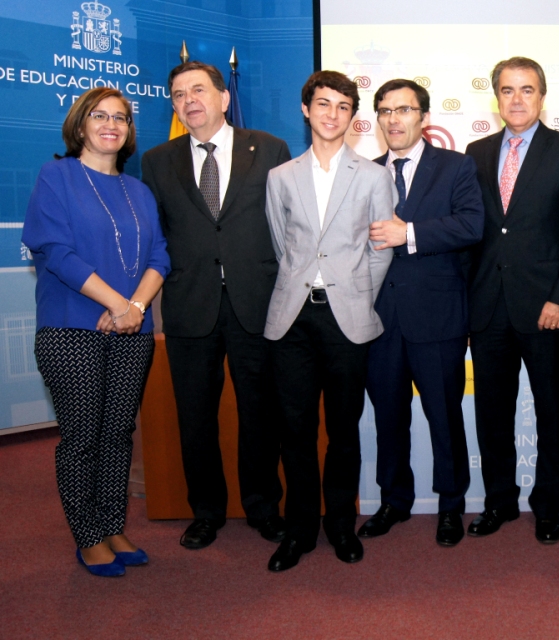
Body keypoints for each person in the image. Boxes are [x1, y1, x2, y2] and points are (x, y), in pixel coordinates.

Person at [142, 61, 291, 550]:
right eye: (178, 94)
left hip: (257, 302)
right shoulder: (157, 161)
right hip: (190, 305)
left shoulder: (268, 148)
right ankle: (205, 512)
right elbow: (156, 235)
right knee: (195, 418)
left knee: (260, 414)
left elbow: (289, 223)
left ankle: (263, 507)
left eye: (198, 90)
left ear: (224, 98)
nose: (189, 100)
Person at [23, 87, 170, 576]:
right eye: (100, 116)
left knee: (118, 434)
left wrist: (135, 307)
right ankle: (87, 535)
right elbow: (56, 251)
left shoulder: (139, 191)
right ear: (80, 125)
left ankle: (111, 524)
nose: (111, 124)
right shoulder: (57, 176)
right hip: (71, 327)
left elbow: (159, 257)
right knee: (82, 436)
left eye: (121, 117)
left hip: (131, 329)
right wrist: (116, 303)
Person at [263, 71, 396, 571]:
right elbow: (282, 244)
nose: (332, 114)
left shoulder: (373, 177)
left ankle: (340, 525)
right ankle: (299, 530)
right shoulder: (281, 176)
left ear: (353, 117)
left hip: (348, 319)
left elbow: (380, 248)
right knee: (295, 430)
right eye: (323, 104)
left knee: (343, 430)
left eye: (343, 106)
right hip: (293, 320)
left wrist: (356, 295)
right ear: (306, 109)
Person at [464, 57, 559, 544]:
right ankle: (499, 501)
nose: (516, 99)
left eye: (526, 90)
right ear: (495, 97)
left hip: (547, 310)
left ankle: (547, 507)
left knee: (551, 413)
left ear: (542, 96)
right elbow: (474, 232)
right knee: (492, 415)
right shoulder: (475, 152)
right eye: (507, 90)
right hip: (488, 309)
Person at [361, 79, 484, 547]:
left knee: (444, 417)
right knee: (388, 419)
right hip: (378, 320)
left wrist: (407, 233)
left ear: (424, 118)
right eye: (385, 111)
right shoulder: (365, 172)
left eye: (404, 110)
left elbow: (471, 224)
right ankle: (394, 501)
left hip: (437, 317)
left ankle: (451, 505)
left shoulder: (455, 166)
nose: (393, 119)